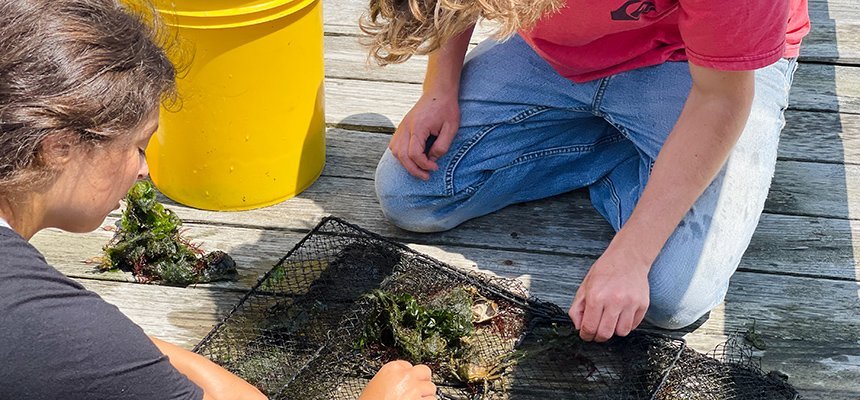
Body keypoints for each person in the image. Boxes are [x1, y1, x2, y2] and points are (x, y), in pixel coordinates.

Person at [0, 1, 436, 399]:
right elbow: (85, 344)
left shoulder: (64, 329)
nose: (143, 170)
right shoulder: (47, 326)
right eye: (138, 145)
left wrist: (119, 343)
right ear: (58, 148)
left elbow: (122, 355)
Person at [363, 0, 810, 342]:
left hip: (704, 71)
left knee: (671, 295)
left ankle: (651, 155)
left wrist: (631, 254)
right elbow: (450, 5)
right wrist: (439, 87)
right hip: (556, 49)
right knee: (410, 194)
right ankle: (626, 151)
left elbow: (720, 99)